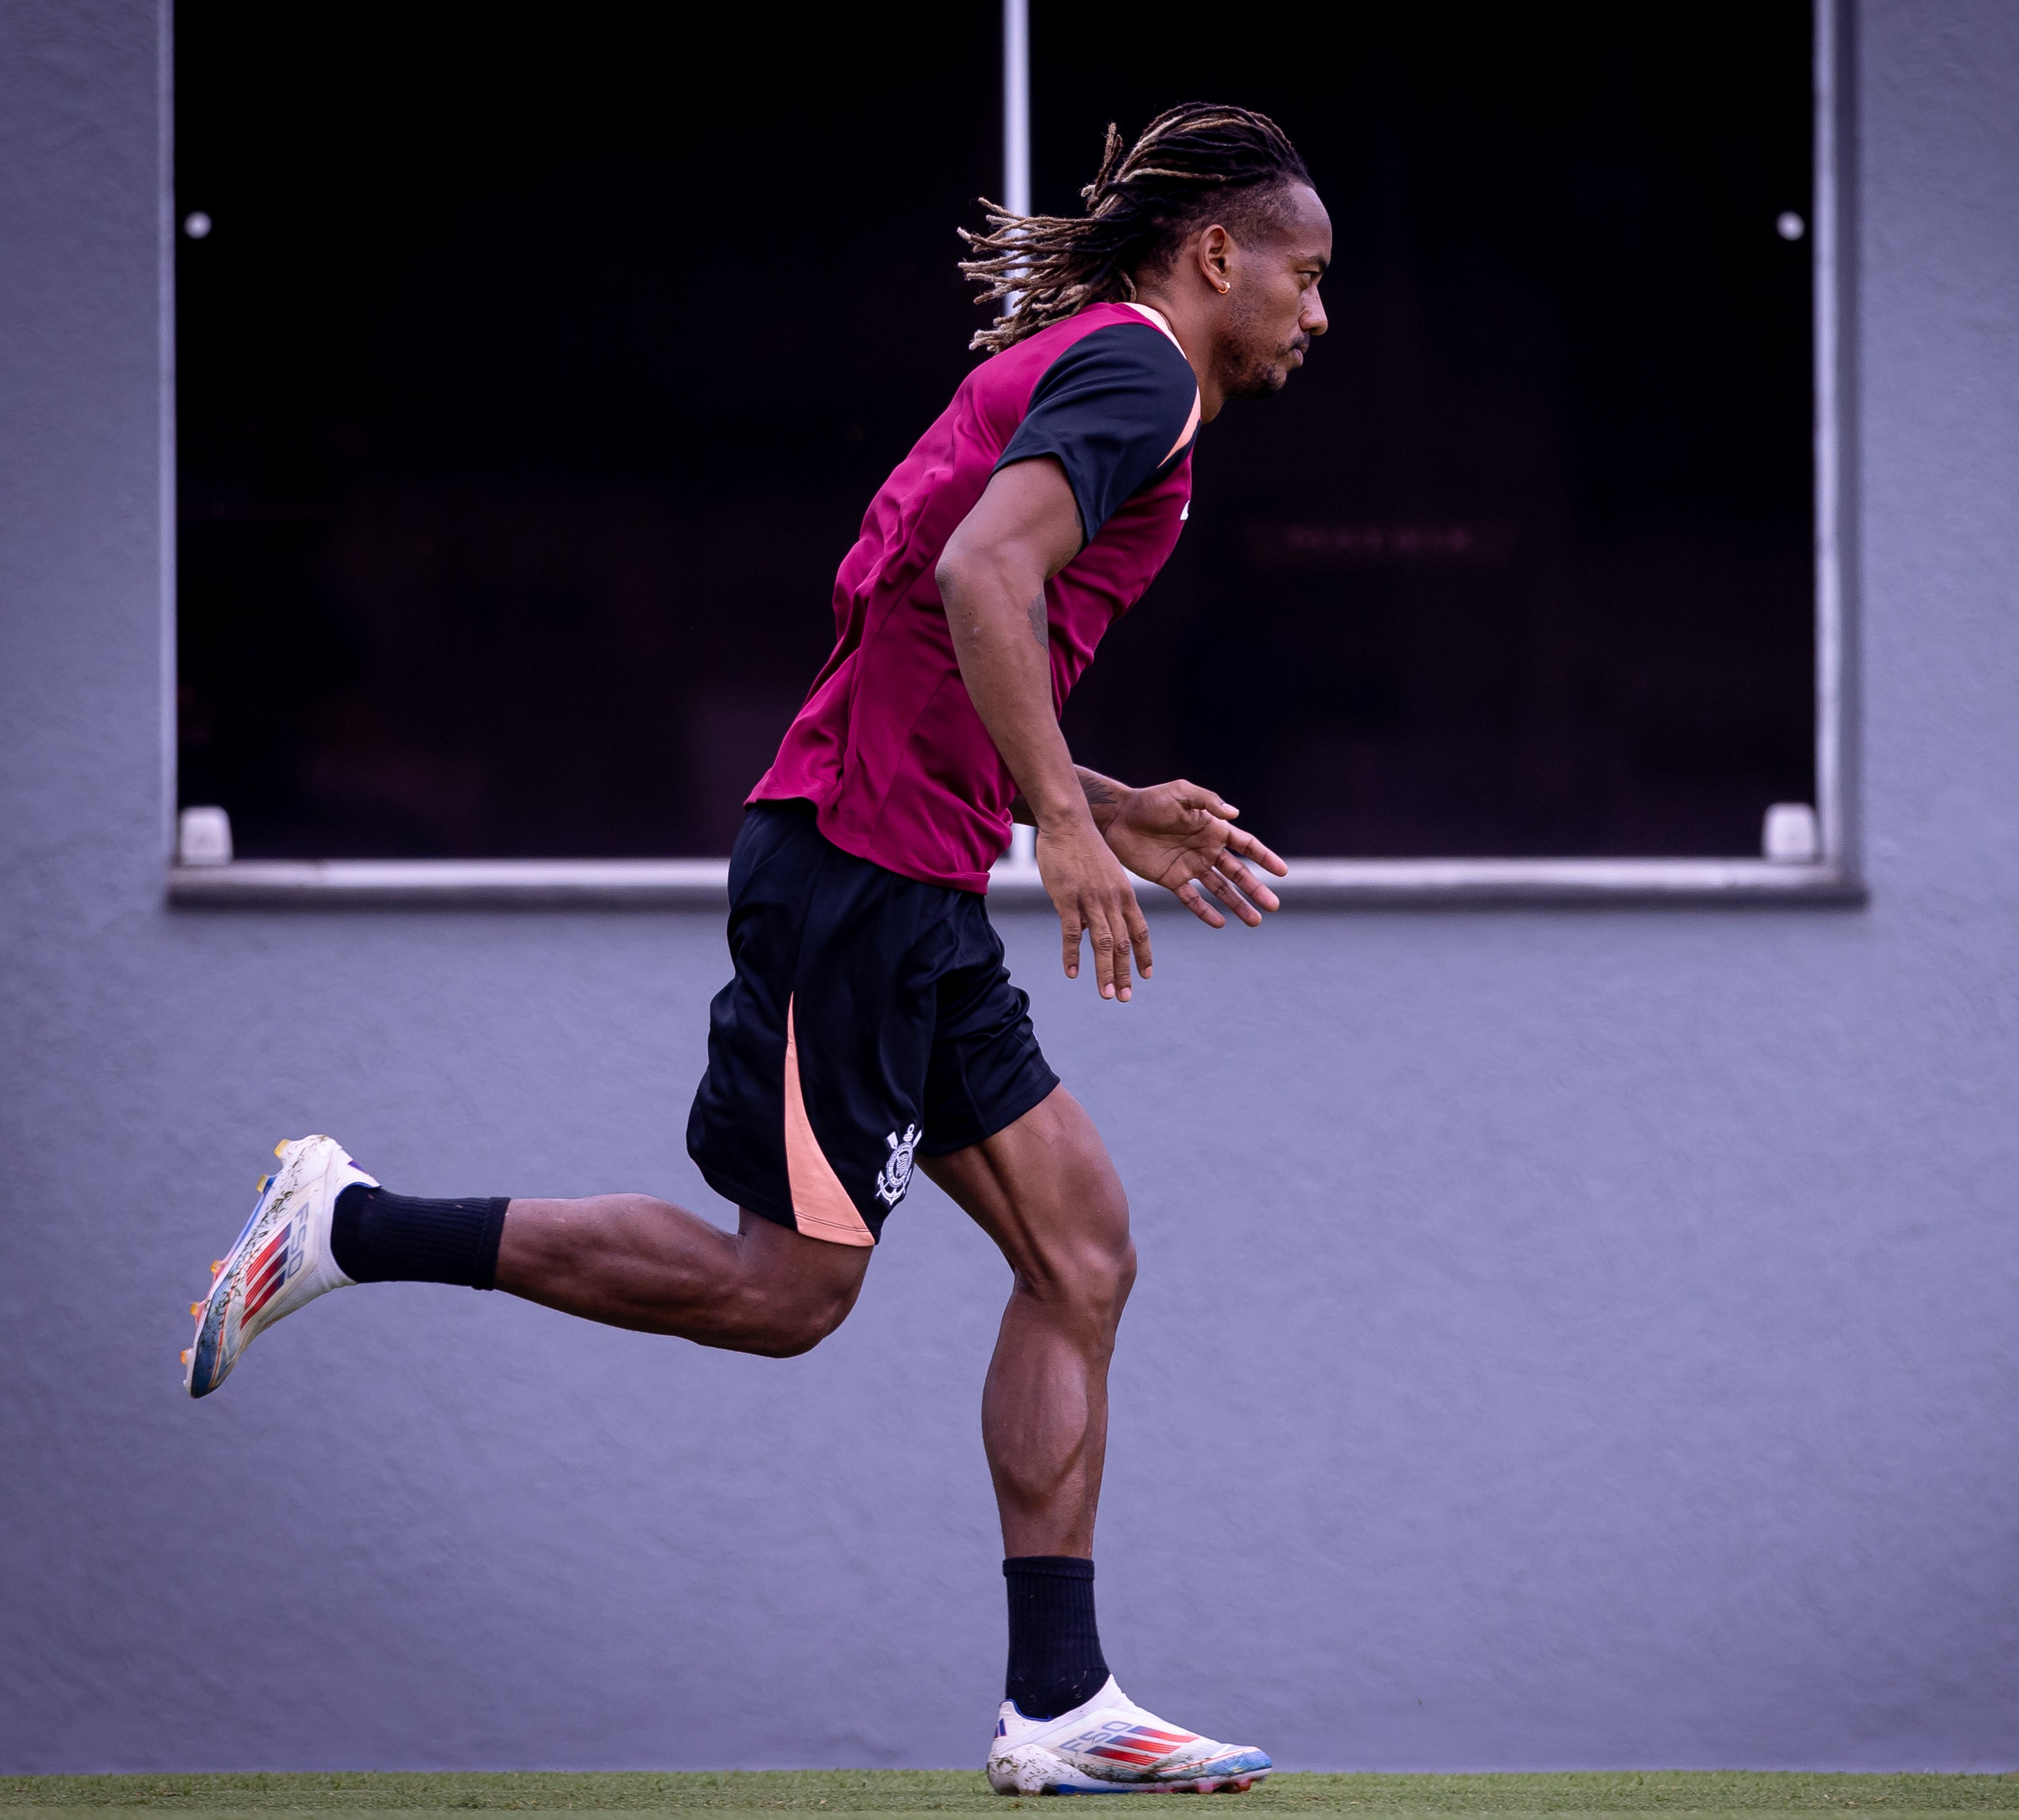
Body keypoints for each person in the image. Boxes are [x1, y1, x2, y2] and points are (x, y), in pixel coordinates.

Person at [183, 102, 1331, 1798]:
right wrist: (1068, 832)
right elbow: (974, 577)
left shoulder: (1102, 367)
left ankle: (1061, 1701)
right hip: (856, 883)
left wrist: (1097, 800)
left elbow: (928, 637)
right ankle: (339, 1223)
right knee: (782, 1293)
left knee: (1080, 1250)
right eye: (1306, 276)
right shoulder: (1144, 371)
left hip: (906, 880)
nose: (1320, 314)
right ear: (1217, 255)